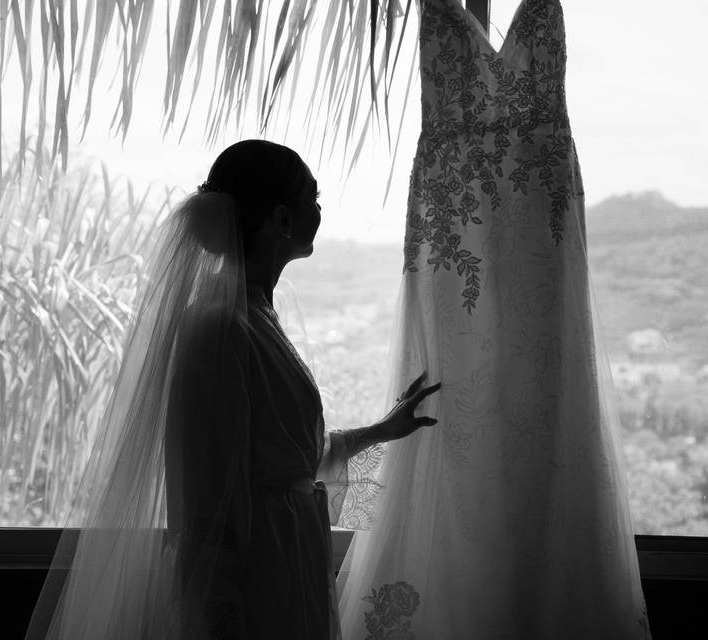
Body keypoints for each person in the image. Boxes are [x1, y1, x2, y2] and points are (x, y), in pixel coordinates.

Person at [24, 139, 441, 639]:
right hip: (255, 580)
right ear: (282, 219)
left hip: (287, 565)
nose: (321, 210)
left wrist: (380, 430)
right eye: (313, 197)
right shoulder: (220, 330)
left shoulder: (256, 317)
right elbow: (206, 500)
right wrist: (220, 621)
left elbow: (278, 460)